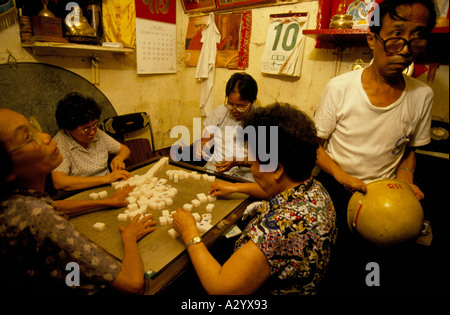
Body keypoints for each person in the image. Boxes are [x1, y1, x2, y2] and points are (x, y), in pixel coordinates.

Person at [313, 0, 437, 294]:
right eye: (396, 36)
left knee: (375, 272)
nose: (406, 49)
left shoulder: (422, 95)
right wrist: (342, 177)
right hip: (336, 189)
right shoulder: (340, 88)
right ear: (372, 38)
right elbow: (314, 147)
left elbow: (410, 149)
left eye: (417, 37)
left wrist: (406, 178)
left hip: (383, 198)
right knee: (333, 266)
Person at [173, 103, 336, 295]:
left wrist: (190, 233)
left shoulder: (279, 228)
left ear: (276, 169)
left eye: (252, 157)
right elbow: (275, 191)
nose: (250, 164)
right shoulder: (315, 189)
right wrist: (236, 187)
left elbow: (221, 288)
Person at [0, 107, 157, 294]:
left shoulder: (17, 202)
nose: (45, 137)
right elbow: (132, 283)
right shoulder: (40, 217)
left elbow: (50, 205)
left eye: (34, 128)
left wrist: (106, 202)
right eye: (28, 137)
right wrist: (129, 237)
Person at [51, 92, 131, 191]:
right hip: (82, 192)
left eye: (95, 125)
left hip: (108, 186)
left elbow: (124, 149)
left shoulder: (97, 133)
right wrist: (106, 178)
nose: (93, 132)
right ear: (68, 129)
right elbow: (60, 182)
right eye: (86, 129)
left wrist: (119, 158)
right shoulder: (60, 143)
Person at [199, 72, 258, 181]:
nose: (234, 110)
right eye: (230, 104)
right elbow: (205, 139)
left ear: (251, 102)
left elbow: (264, 160)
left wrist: (238, 161)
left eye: (240, 106)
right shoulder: (220, 112)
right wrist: (203, 147)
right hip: (214, 169)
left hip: (244, 176)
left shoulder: (261, 119)